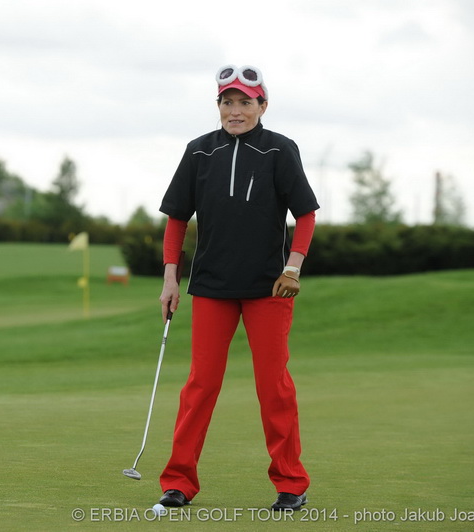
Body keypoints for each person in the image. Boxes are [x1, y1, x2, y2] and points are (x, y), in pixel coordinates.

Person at [156, 64, 319, 511]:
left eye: (245, 102)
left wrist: (293, 267)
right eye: (227, 102)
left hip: (269, 289)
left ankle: (291, 483)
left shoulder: (280, 150)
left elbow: (305, 214)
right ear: (218, 106)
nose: (235, 110)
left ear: (262, 106)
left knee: (274, 387)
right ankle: (178, 482)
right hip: (211, 287)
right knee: (200, 385)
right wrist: (171, 278)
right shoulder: (198, 151)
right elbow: (177, 218)